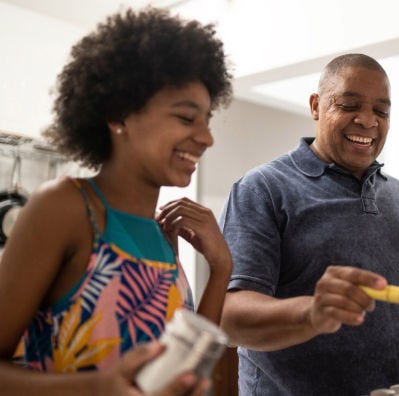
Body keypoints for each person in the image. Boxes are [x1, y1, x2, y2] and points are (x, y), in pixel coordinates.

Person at [0, 8, 233, 395]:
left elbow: (185, 364)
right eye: (186, 118)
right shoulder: (65, 208)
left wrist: (222, 267)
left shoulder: (162, 233)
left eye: (207, 120)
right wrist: (98, 387)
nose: (207, 137)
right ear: (118, 115)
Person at [219, 53, 399, 395]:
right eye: (349, 105)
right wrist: (311, 312)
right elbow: (231, 318)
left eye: (381, 111)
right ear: (315, 106)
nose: (367, 121)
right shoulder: (262, 189)